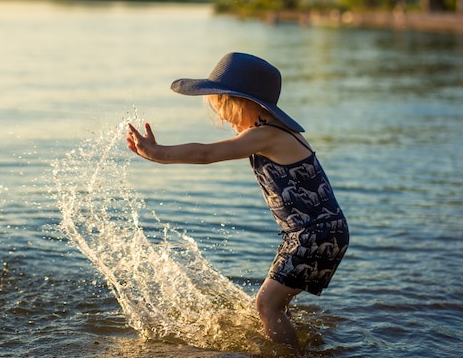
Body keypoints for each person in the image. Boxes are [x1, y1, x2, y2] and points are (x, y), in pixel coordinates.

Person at [126, 52, 349, 346]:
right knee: (276, 304)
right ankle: (291, 344)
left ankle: (289, 354)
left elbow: (206, 154)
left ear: (242, 102)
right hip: (315, 231)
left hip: (313, 234)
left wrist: (157, 153)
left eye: (221, 107)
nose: (220, 116)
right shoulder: (279, 132)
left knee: (265, 305)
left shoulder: (266, 135)